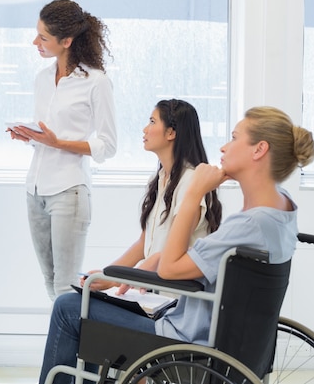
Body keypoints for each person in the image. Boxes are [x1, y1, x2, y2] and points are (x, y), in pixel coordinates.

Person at [38, 106, 314, 384]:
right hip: (225, 341)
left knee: (68, 307)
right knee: (94, 309)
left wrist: (196, 191)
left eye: (234, 138)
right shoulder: (282, 208)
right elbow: (178, 254)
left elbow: (170, 270)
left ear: (259, 150)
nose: (223, 147)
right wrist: (154, 259)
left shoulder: (247, 224)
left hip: (183, 342)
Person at [8, 0, 117, 301]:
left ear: (66, 41)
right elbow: (48, 134)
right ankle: (63, 347)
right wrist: (29, 136)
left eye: (43, 37)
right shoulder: (42, 79)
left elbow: (107, 146)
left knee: (66, 285)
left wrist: (57, 143)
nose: (35, 42)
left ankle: (69, 349)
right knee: (49, 280)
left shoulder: (96, 82)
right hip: (35, 191)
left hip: (69, 191)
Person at [81, 99, 222, 293]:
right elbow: (143, 244)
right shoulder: (160, 179)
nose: (145, 129)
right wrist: (109, 276)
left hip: (172, 299)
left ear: (171, 133)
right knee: (75, 302)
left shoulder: (191, 182)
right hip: (151, 291)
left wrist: (131, 277)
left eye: (152, 122)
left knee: (67, 306)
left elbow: (177, 253)